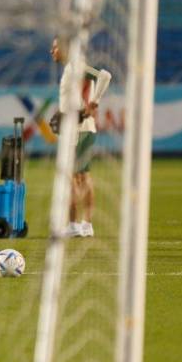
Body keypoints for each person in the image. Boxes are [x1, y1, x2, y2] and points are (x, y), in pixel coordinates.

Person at [50, 36, 112, 237]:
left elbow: (105, 76)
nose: (53, 51)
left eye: (55, 47)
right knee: (83, 176)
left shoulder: (76, 66)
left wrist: (94, 103)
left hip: (78, 129)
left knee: (70, 177)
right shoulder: (73, 68)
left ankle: (74, 225)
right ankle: (85, 224)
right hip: (82, 127)